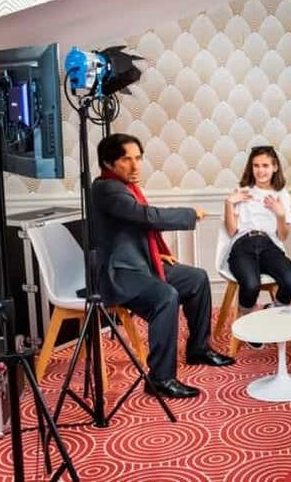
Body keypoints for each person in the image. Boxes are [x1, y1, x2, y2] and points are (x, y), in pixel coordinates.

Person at [92, 133, 234, 399]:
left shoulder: (124, 186)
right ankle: (160, 378)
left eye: (138, 158)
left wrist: (156, 252)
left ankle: (198, 349)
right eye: (126, 160)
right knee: (165, 297)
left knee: (196, 278)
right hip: (119, 273)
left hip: (140, 263)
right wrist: (190, 214)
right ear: (108, 163)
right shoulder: (107, 188)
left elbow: (132, 226)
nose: (135, 166)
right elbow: (145, 216)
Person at [218, 145, 291, 348]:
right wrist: (229, 203)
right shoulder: (242, 192)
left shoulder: (282, 195)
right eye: (256, 166)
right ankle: (249, 320)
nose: (260, 170)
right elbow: (231, 231)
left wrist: (280, 214)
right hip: (243, 245)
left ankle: (275, 311)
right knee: (251, 285)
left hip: (269, 245)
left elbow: (283, 236)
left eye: (265, 165)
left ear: (275, 167)